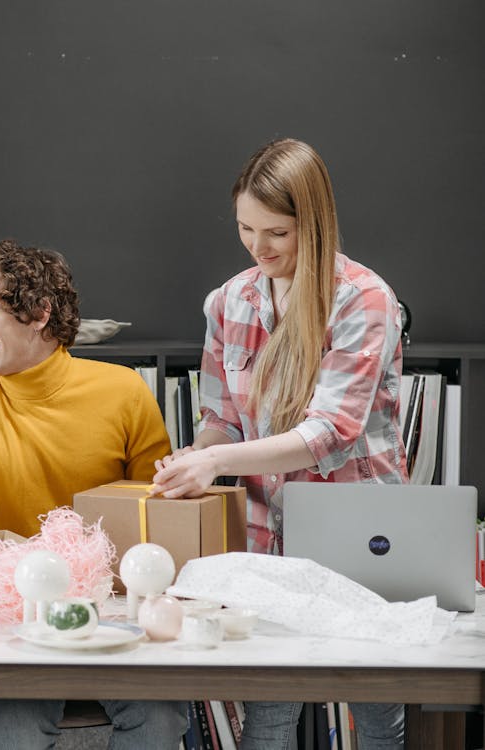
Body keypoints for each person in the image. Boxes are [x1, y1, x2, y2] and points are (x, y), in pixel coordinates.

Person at [152, 138, 406, 748]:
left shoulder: (364, 299)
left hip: (361, 533)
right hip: (266, 533)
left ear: (313, 225)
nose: (258, 248)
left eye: (277, 233)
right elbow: (223, 418)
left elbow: (329, 432)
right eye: (245, 228)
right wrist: (198, 456)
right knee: (268, 711)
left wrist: (216, 459)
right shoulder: (229, 301)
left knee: (373, 707)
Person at [0, 240, 186, 749]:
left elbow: (159, 519)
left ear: (39, 313)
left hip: (115, 616)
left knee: (158, 719)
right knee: (17, 731)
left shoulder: (124, 392)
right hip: (11, 626)